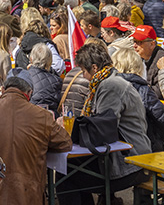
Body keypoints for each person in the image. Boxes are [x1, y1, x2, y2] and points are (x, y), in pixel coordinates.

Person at [58, 40, 150, 203]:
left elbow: (101, 128)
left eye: (83, 71)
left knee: (65, 175)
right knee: (67, 168)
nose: (82, 75)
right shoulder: (105, 82)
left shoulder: (110, 86)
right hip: (123, 156)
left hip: (131, 161)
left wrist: (74, 126)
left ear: (94, 68)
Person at [0, 75, 71, 205]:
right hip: (28, 195)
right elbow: (65, 143)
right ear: (29, 93)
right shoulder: (42, 116)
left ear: (3, 89)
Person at [112, 47, 164, 151]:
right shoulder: (142, 89)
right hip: (141, 145)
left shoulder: (108, 86)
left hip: (114, 145)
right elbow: (163, 119)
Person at [11, 43, 62, 113]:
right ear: (49, 60)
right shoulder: (57, 81)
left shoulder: (23, 78)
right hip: (50, 116)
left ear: (31, 59)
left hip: (29, 115)